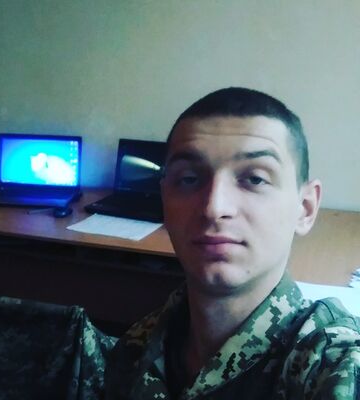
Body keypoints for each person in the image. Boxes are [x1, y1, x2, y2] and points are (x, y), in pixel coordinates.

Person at [103, 88, 360, 399]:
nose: (214, 207)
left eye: (255, 179)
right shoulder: (136, 347)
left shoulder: (333, 364)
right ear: (164, 199)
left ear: (305, 209)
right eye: (189, 179)